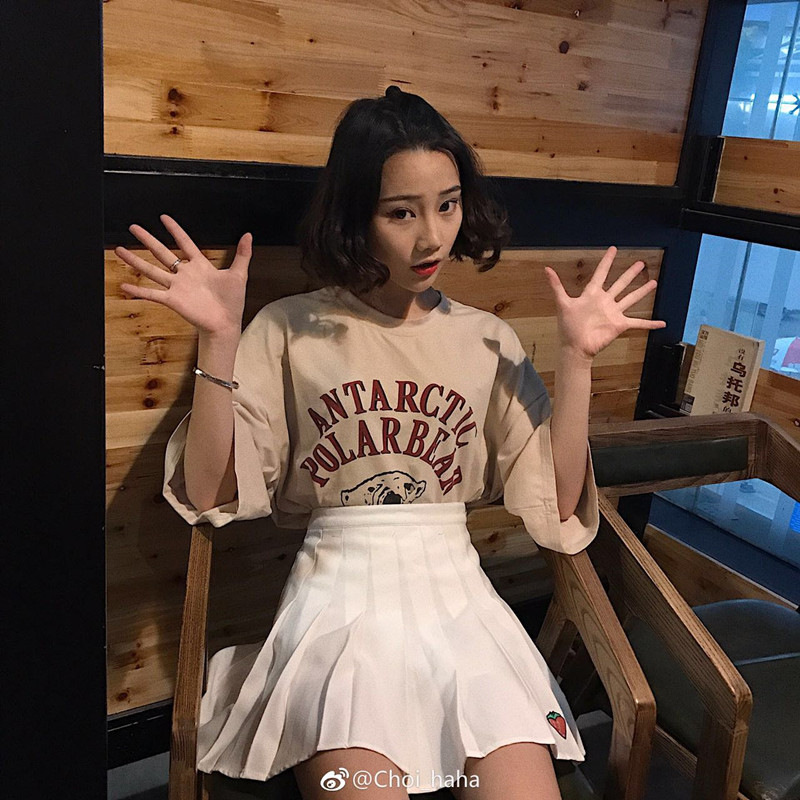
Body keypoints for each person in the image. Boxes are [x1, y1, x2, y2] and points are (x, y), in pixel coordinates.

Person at [117, 86, 666, 800]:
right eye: (401, 212)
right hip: (337, 607)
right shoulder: (289, 329)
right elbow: (208, 490)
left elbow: (559, 508)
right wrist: (218, 341)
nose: (432, 237)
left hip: (461, 605)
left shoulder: (487, 339)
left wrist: (578, 362)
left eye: (448, 204)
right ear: (355, 215)